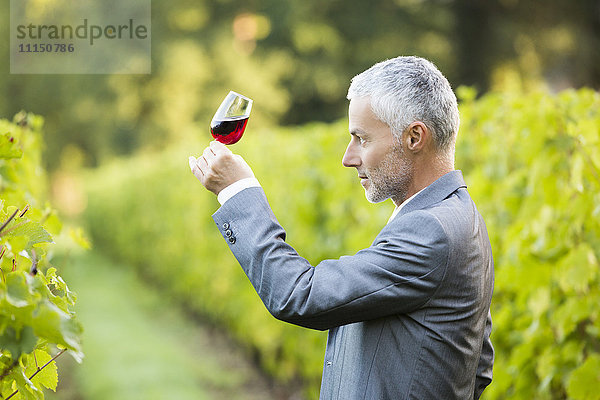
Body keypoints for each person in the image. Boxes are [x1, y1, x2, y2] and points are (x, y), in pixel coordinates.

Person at [188, 56, 494, 400]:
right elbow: (477, 364)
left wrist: (237, 192)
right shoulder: (461, 216)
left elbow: (298, 295)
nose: (348, 158)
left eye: (361, 139)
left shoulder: (431, 231)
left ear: (414, 137)